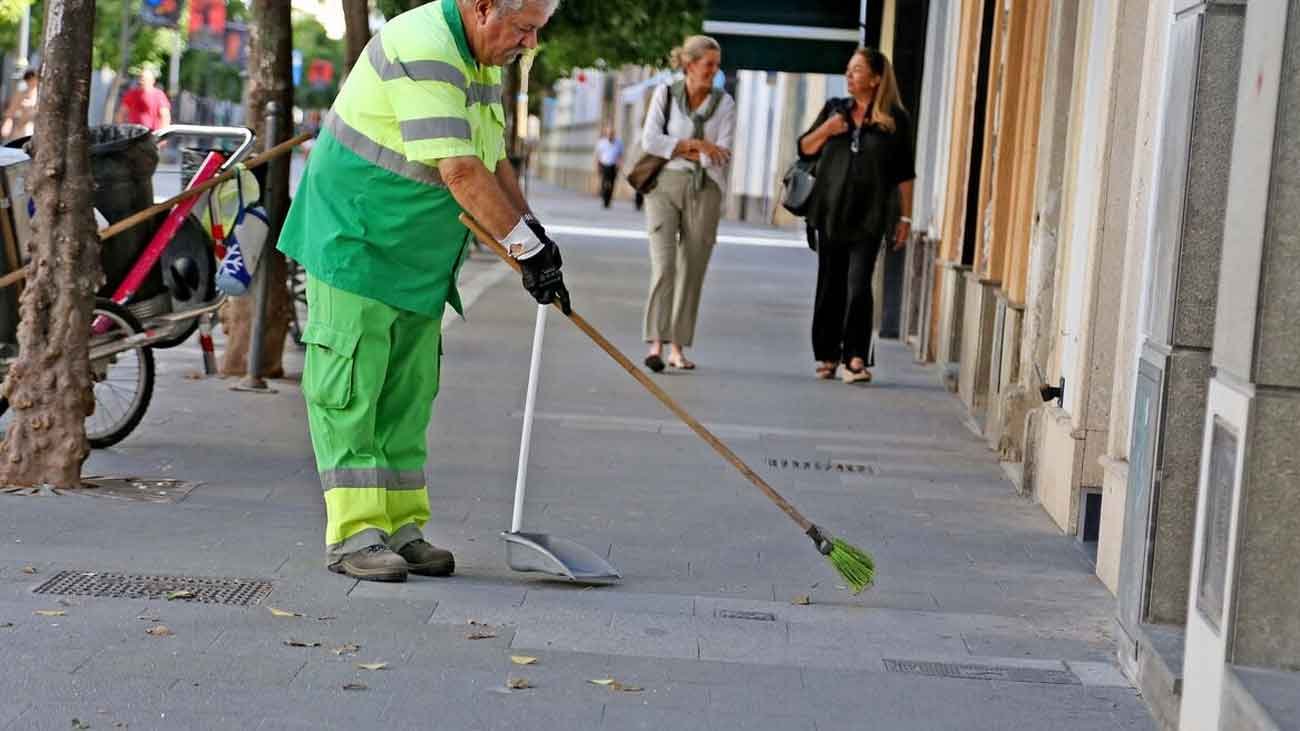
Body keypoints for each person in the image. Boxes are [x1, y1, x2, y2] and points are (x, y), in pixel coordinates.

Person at [276, 0, 571, 583]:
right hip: (357, 236)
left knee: (407, 394)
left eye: (537, 31)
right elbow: (459, 170)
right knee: (352, 388)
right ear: (485, 8)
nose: (530, 44)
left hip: (416, 253)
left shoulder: (482, 60)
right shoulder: (426, 46)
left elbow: (492, 161)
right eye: (525, 28)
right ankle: (355, 534)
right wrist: (524, 250)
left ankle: (402, 527)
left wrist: (532, 236)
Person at [797, 48, 914, 384]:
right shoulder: (835, 110)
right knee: (830, 285)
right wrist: (828, 130)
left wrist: (904, 219)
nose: (850, 76)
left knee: (859, 284)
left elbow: (905, 175)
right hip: (831, 209)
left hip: (871, 213)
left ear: (876, 78)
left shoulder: (895, 120)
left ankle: (856, 357)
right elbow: (804, 148)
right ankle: (827, 355)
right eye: (848, 70)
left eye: (858, 70)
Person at [639, 35, 735, 373]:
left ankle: (677, 347)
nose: (714, 71)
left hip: (705, 188)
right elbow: (649, 140)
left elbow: (721, 154)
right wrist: (696, 145)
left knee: (692, 267)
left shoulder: (725, 104)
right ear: (689, 64)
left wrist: (683, 148)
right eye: (709, 64)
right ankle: (655, 343)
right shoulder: (665, 94)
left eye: (717, 65)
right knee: (664, 265)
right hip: (664, 184)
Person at [118, 67, 172, 131]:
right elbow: (122, 113)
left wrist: (162, 135)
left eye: (144, 79)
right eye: (140, 78)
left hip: (152, 134)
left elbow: (165, 116)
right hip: (134, 133)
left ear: (152, 81)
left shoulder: (158, 95)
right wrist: (121, 130)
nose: (141, 81)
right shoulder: (132, 94)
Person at [1, 69, 38, 141]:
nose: (31, 81)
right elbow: (11, 112)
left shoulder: (41, 97)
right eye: (28, 78)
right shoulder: (20, 95)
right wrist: (7, 124)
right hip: (20, 131)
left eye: (33, 78)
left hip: (34, 132)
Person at [594, 125, 623, 208]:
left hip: (613, 165)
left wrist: (620, 164)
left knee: (612, 183)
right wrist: (597, 165)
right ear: (606, 133)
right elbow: (597, 155)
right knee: (604, 182)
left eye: (612, 133)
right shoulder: (601, 142)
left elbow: (620, 155)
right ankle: (604, 199)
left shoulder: (619, 142)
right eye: (609, 133)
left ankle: (609, 199)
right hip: (604, 165)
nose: (610, 135)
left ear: (614, 134)